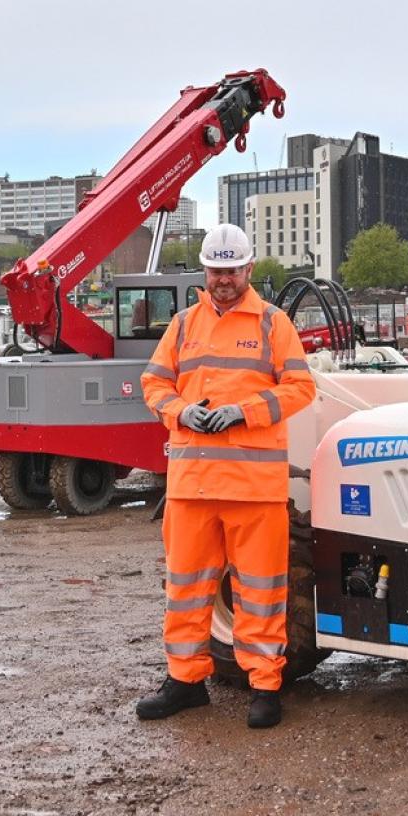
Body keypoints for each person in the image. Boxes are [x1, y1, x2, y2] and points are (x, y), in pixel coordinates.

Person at [137, 224, 316, 729]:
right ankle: (185, 682)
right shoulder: (183, 324)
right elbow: (154, 382)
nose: (223, 280)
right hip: (192, 485)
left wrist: (244, 411)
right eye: (216, 270)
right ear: (205, 270)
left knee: (260, 590)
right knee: (186, 589)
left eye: (232, 270)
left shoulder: (272, 323)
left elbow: (301, 388)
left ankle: (265, 685)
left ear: (249, 269)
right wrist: (180, 411)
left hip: (253, 489)